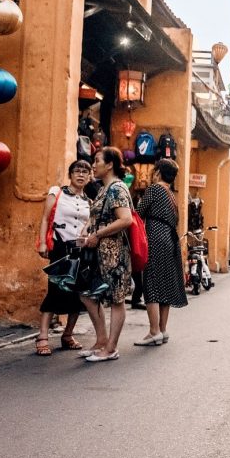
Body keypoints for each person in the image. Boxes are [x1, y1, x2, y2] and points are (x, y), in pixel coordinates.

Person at [79, 147, 135, 362]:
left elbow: (125, 219)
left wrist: (98, 234)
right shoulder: (103, 189)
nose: (93, 165)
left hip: (113, 253)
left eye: (97, 160)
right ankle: (101, 341)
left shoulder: (117, 189)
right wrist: (86, 232)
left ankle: (111, 348)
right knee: (87, 294)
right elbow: (95, 217)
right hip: (97, 252)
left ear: (109, 164)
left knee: (116, 299)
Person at [34, 160, 92, 355]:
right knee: (55, 290)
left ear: (90, 176)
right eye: (77, 171)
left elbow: (88, 226)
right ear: (71, 174)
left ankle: (68, 334)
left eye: (85, 172)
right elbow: (45, 218)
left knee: (78, 295)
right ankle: (42, 336)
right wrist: (42, 242)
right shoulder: (56, 193)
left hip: (80, 251)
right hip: (60, 248)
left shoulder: (88, 202)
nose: (81, 175)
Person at [134, 159, 187, 347]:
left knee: (151, 284)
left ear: (157, 172)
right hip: (169, 240)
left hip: (155, 238)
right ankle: (162, 330)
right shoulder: (171, 194)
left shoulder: (155, 189)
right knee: (164, 284)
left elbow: (139, 213)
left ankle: (153, 331)